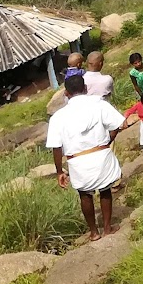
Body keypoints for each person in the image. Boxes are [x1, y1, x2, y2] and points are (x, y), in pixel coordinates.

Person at [46, 73, 125, 240]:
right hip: (100, 153)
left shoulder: (58, 117)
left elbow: (56, 146)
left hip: (77, 160)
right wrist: (109, 139)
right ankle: (107, 227)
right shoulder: (99, 104)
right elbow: (118, 123)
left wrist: (60, 171)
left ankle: (94, 232)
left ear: (66, 93)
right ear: (85, 88)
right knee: (105, 191)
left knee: (84, 194)